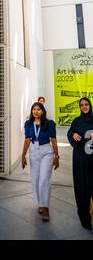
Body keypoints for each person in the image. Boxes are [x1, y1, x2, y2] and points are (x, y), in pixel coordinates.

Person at [21, 102, 59, 221]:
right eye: (34, 109)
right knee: (35, 179)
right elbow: (27, 140)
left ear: (42, 111)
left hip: (46, 152)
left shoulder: (49, 124)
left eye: (38, 109)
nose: (36, 111)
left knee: (44, 180)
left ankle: (45, 207)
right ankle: (40, 203)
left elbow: (53, 140)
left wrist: (56, 156)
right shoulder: (28, 124)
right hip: (33, 152)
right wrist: (23, 156)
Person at [67, 97, 93, 230]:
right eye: (82, 105)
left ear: (90, 105)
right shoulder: (77, 121)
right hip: (80, 161)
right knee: (82, 190)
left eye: (86, 104)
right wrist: (73, 135)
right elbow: (70, 132)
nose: (84, 107)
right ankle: (85, 219)